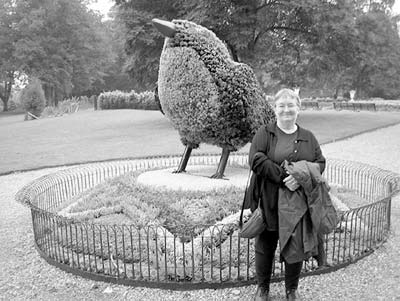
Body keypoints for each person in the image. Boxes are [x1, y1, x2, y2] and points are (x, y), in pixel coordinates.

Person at [248, 88, 326, 301]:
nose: (286, 110)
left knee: (295, 246)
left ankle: (291, 289)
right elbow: (255, 159)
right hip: (269, 199)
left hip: (297, 204)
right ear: (275, 109)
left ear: (298, 108)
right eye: (281, 106)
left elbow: (320, 163)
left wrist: (300, 178)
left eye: (290, 105)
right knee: (265, 245)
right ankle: (262, 289)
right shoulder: (265, 133)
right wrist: (286, 176)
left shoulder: (308, 137)